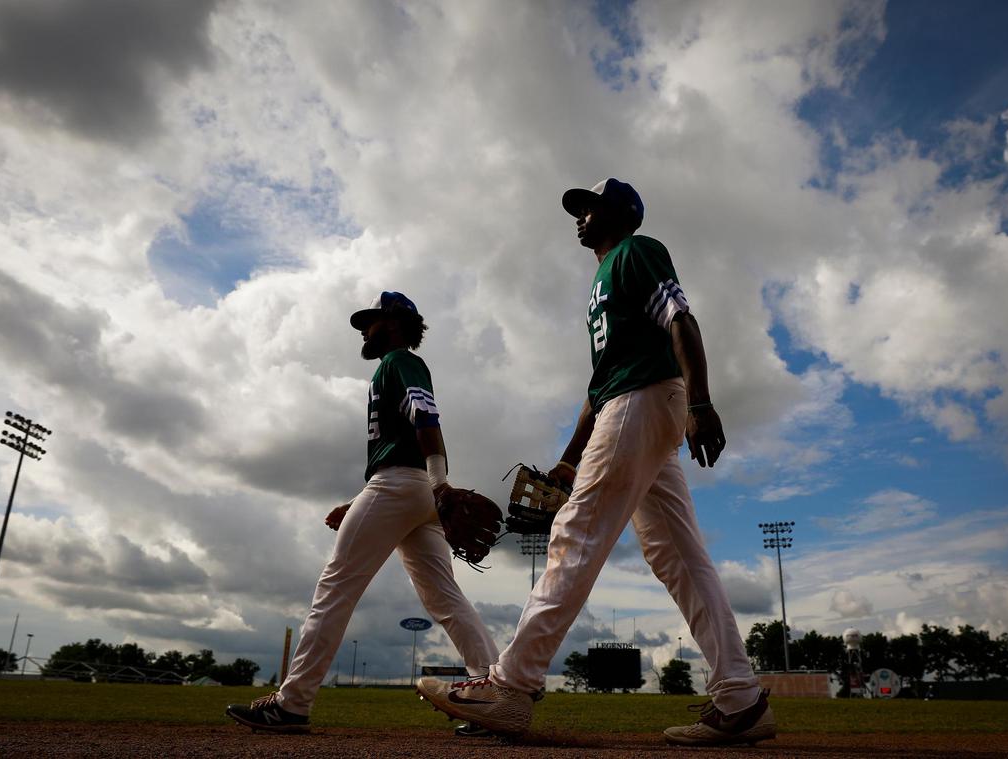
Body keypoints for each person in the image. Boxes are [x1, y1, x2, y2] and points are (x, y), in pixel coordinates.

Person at [416, 180, 775, 747]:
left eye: (590, 207)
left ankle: (510, 685)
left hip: (643, 400)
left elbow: (681, 319)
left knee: (577, 532)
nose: (579, 216)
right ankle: (740, 696)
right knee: (679, 556)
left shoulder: (638, 252)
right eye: (578, 209)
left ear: (620, 213)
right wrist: (566, 459)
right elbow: (597, 387)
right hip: (630, 402)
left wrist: (702, 401)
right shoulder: (601, 282)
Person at [227, 291, 499, 734]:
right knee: (445, 597)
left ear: (393, 323)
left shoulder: (398, 362)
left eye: (370, 322)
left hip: (403, 487)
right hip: (412, 491)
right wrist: (373, 499)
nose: (363, 329)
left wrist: (440, 482)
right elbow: (405, 447)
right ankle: (494, 692)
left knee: (335, 589)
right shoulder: (392, 368)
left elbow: (427, 421)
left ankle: (291, 704)